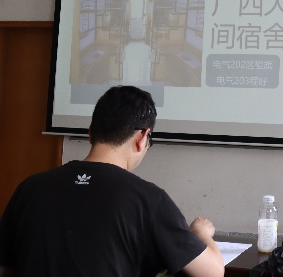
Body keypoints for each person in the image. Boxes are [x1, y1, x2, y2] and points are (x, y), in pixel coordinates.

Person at [0, 85, 225, 277]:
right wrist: (201, 233)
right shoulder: (148, 199)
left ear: (90, 133)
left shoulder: (29, 188)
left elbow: (5, 268)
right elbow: (212, 272)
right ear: (142, 137)